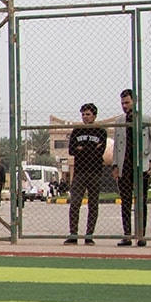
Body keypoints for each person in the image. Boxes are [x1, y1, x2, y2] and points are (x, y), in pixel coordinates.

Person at [113, 87, 151, 247]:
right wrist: (115, 165)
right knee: (125, 203)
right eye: (122, 103)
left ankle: (141, 235)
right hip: (124, 167)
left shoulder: (146, 119)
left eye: (127, 102)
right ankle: (127, 235)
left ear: (135, 102)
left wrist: (150, 160)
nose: (124, 106)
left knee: (141, 203)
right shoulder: (119, 122)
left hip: (141, 167)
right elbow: (116, 146)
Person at [64, 102, 108, 244]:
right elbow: (71, 150)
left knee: (93, 204)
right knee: (75, 203)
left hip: (95, 171)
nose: (85, 117)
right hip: (79, 172)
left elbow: (100, 151)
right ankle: (73, 234)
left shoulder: (101, 131)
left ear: (94, 116)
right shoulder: (77, 131)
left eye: (88, 114)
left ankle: (89, 235)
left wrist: (82, 149)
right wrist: (91, 148)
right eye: (83, 114)